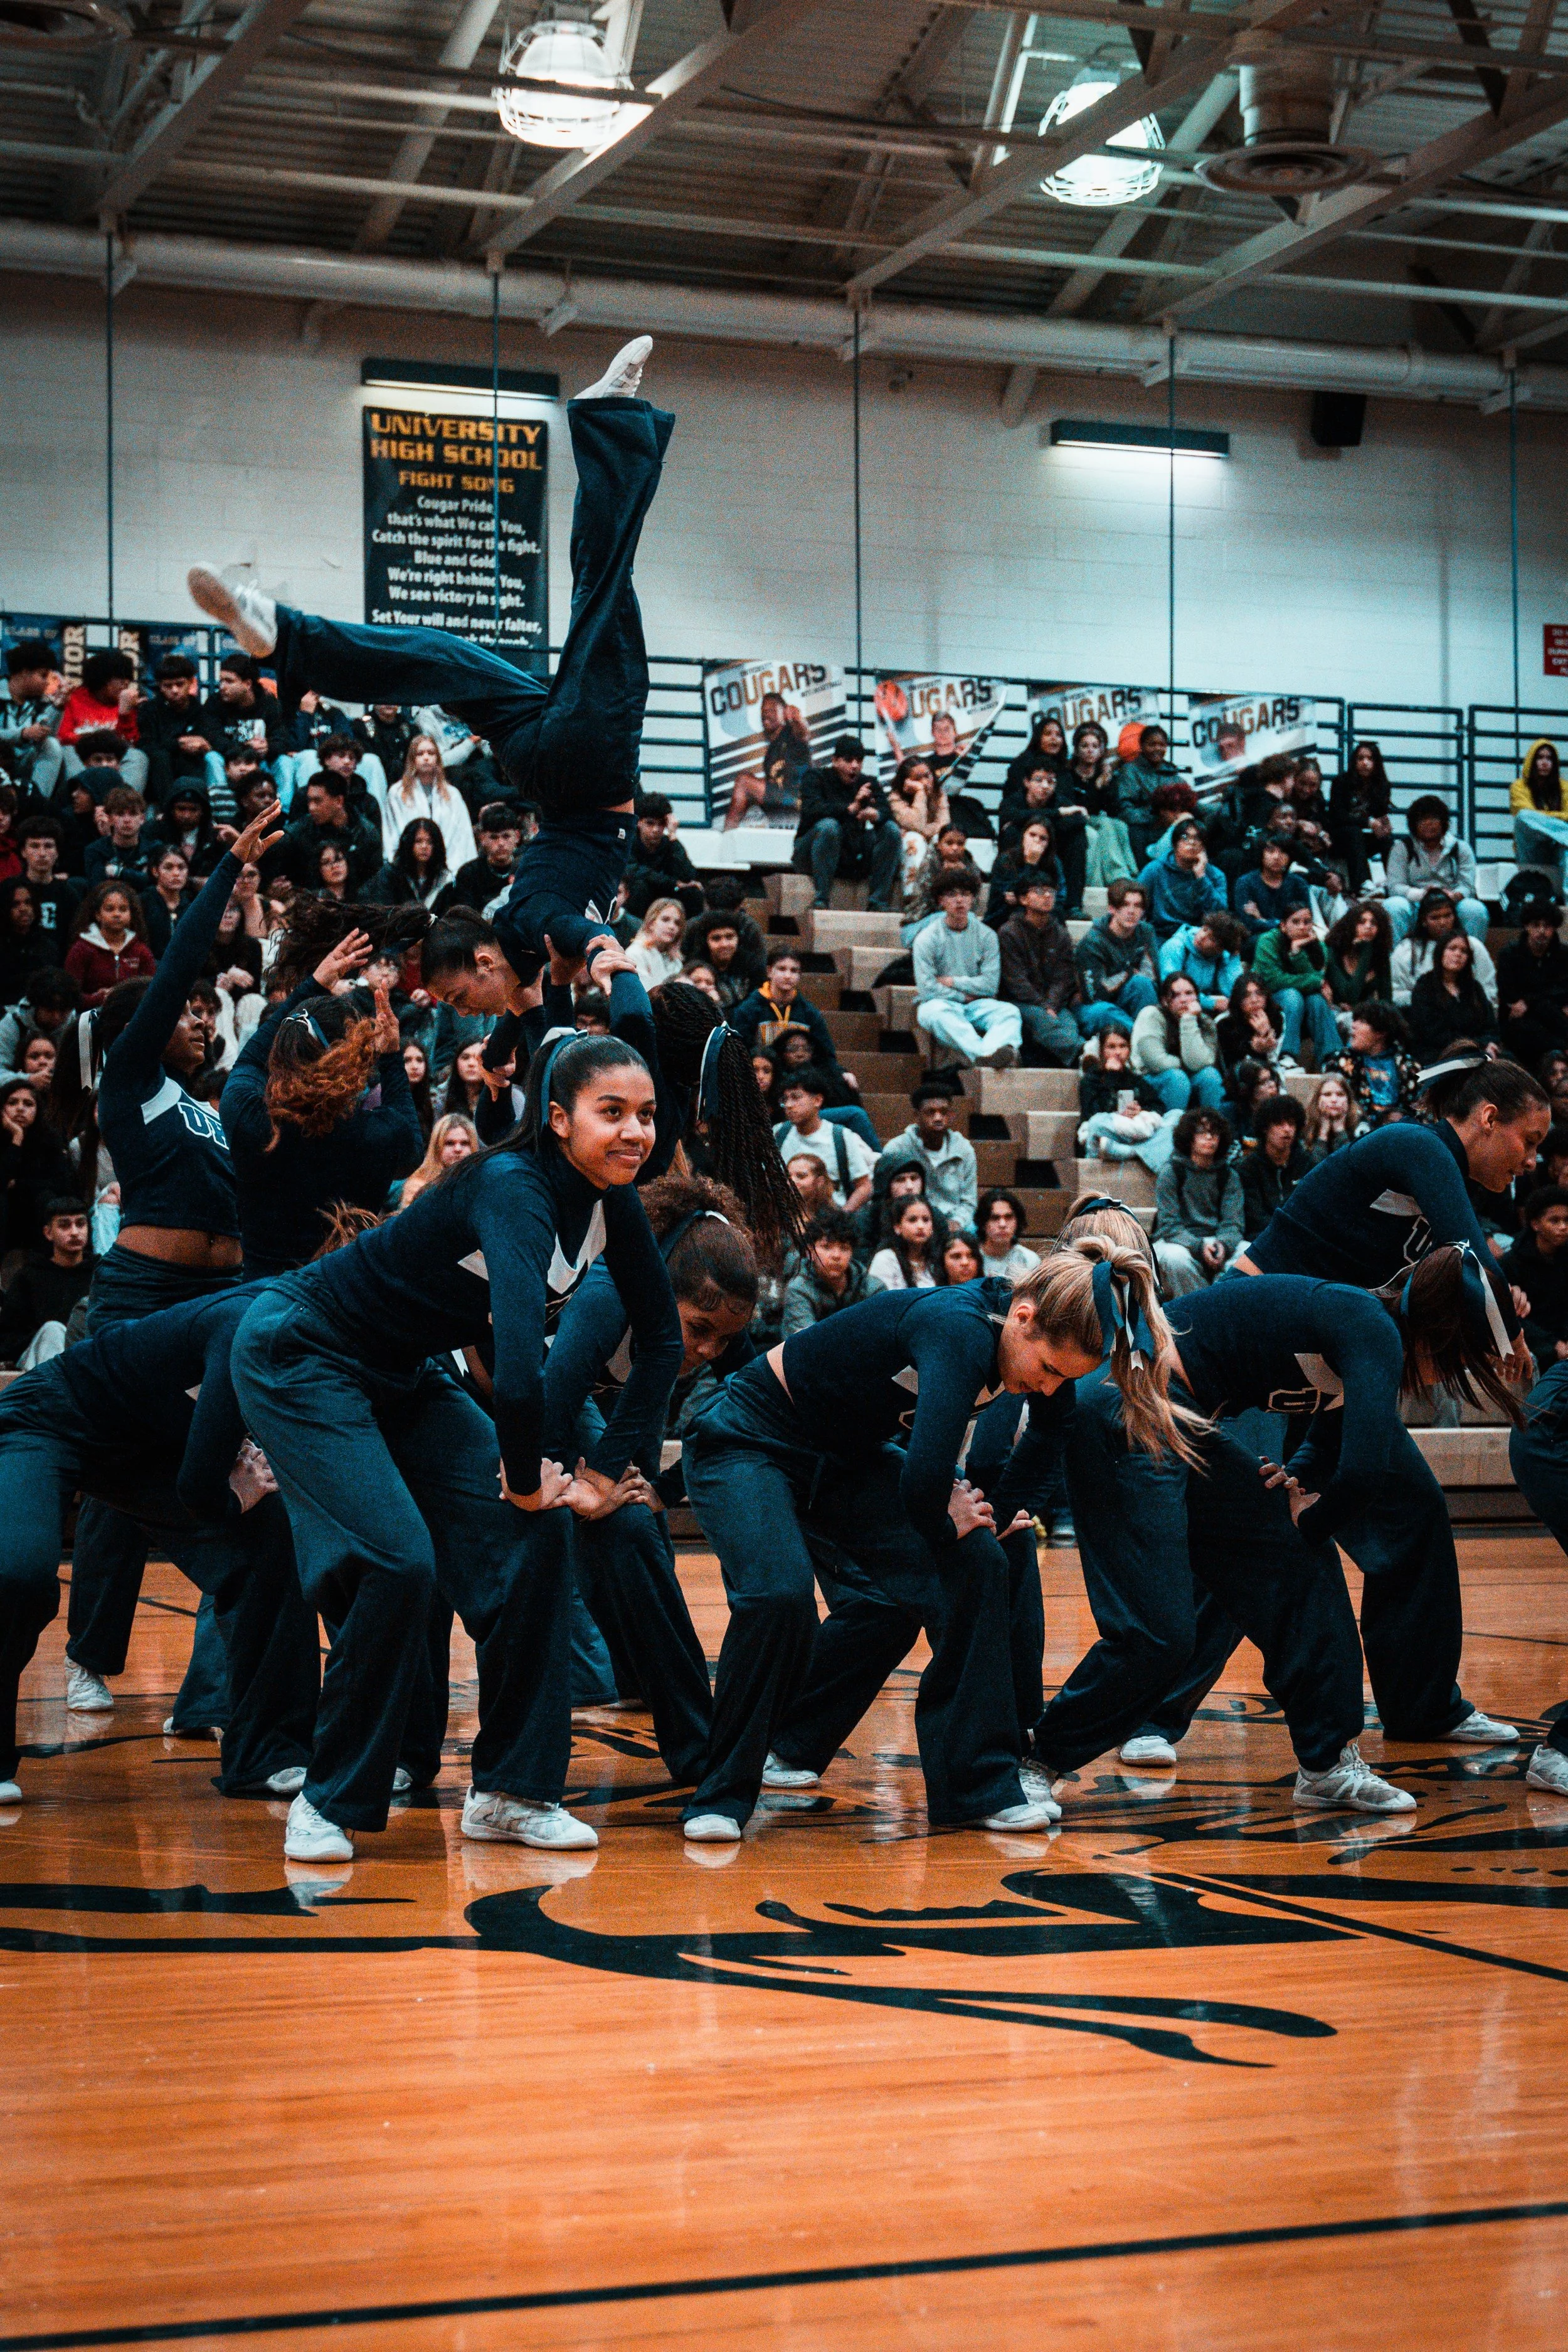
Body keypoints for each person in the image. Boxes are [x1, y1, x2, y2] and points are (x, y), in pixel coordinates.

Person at [230, 1024, 684, 1863]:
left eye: (648, 1114)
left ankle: (511, 1790)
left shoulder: (611, 1200)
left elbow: (662, 1343)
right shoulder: (514, 1185)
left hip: (400, 1371)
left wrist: (598, 1474)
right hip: (304, 1351)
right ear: (557, 1117)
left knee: (542, 1532)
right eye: (611, 1111)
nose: (635, 1131)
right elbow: (516, 1373)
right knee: (402, 1562)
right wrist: (520, 1479)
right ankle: (330, 1799)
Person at [192, 335, 671, 1004]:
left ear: (483, 960)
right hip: (542, 762)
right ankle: (289, 636)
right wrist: (514, 1045)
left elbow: (568, 948)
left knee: (605, 588)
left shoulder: (529, 932)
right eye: (455, 1002)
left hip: (586, 771)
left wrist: (603, 957)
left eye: (456, 1000)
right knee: (445, 655)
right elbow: (535, 1003)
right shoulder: (518, 947)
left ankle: (607, 421)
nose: (463, 1010)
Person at [717, 1237, 1191, 1840]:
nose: (1047, 1387)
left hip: (847, 1457)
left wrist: (995, 1513)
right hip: (762, 1433)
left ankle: (967, 1786)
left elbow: (1053, 1428)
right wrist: (954, 1518)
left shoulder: (1031, 1354)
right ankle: (736, 1765)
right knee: (789, 1596)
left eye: (1062, 1379)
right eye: (1047, 1370)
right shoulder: (961, 1331)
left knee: (975, 1564)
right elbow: (923, 1482)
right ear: (1023, 1319)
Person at [48, 800, 283, 1721]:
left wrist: (304, 987)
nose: (197, 1018)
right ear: (136, 1030)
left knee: (220, 1463)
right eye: (182, 1011)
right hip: (143, 1300)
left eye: (198, 1014)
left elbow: (257, 1050)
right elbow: (183, 958)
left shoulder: (209, 1107)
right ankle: (88, 1655)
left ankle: (216, 1682)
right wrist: (224, 875)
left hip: (217, 1300)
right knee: (119, 1479)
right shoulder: (132, 1085)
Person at [543, 1171, 755, 1781]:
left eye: (725, 1337)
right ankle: (696, 1742)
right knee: (623, 1526)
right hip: (509, 1390)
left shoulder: (705, 1320)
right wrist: (594, 1486)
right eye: (700, 1330)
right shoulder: (610, 1293)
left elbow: (752, 1404)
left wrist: (662, 1490)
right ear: (663, 1291)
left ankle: (639, 1683)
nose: (711, 1350)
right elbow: (551, 1406)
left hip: (587, 1399)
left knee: (641, 1524)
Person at [218, 926, 425, 1278]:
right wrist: (391, 1055)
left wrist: (312, 985)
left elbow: (250, 1060)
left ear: (282, 1050)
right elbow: (411, 1142)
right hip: (341, 1300)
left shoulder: (251, 1119)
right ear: (353, 1061)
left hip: (260, 1295)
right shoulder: (375, 1135)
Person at [913, 871, 1022, 1071]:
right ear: (941, 901)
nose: (959, 900)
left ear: (973, 899)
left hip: (977, 1004)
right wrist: (964, 996)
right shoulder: (927, 939)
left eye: (965, 894)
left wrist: (953, 982)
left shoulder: (987, 936)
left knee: (1009, 1012)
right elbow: (928, 988)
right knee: (936, 1014)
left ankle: (987, 1057)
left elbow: (990, 984)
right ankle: (986, 1055)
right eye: (952, 895)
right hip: (939, 1003)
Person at [791, 736, 901, 913]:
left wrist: (875, 814)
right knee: (829, 827)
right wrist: (851, 809)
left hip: (850, 853)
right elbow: (812, 810)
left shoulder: (868, 783)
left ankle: (878, 901)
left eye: (859, 761)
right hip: (810, 853)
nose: (855, 766)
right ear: (835, 761)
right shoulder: (816, 777)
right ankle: (821, 899)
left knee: (891, 830)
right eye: (849, 760)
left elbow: (888, 811)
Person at [729, 945, 850, 1089]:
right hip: (760, 1082)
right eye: (781, 969)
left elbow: (826, 1055)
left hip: (799, 1083)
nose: (788, 976)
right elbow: (738, 1052)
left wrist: (843, 1073)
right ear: (769, 971)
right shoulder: (748, 1010)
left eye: (794, 971)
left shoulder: (809, 1013)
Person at [1153, 1108, 1243, 1293]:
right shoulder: (1171, 1172)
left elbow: (1233, 1223)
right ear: (1189, 1137)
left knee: (1248, 1252)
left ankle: (1219, 1302)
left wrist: (1223, 1245)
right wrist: (1198, 1247)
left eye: (1214, 1133)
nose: (1209, 1137)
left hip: (1217, 1239)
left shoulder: (1229, 1175)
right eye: (1202, 1132)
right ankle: (1199, 1309)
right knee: (1174, 1258)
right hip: (1178, 1240)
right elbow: (1169, 1226)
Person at [996, 872, 1080, 1067]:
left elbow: (1064, 977)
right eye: (1040, 891)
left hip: (1053, 1002)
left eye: (1051, 891)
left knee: (1069, 1025)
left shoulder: (1060, 933)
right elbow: (1016, 980)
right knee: (1044, 1021)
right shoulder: (1009, 932)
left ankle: (1080, 1058)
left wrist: (1051, 1004)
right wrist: (1044, 1006)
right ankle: (1085, 1053)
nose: (1048, 896)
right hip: (1019, 1001)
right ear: (1023, 899)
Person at [0, 1196, 93, 1367]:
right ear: (48, 1233)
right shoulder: (29, 1277)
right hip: (38, 1360)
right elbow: (7, 1338)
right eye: (65, 1225)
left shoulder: (100, 1273)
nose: (74, 1232)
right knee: (53, 1331)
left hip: (87, 1356)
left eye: (80, 1224)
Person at [1384, 796, 1488, 943]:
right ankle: (1395, 962)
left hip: (1451, 903)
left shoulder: (1461, 848)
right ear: (1413, 825)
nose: (1428, 824)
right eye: (1422, 820)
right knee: (1393, 906)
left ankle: (1471, 960)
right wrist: (1421, 894)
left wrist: (1453, 896)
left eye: (1433, 819)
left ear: (1444, 822)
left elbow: (1467, 886)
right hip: (1416, 903)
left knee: (1475, 909)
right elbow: (1395, 886)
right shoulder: (1402, 848)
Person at [876, 1081, 978, 1229]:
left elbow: (969, 1201)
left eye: (943, 1112)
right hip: (909, 1219)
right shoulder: (897, 1148)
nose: (938, 1118)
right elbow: (884, 1197)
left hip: (953, 1220)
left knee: (973, 1230)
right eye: (931, 1112)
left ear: (951, 1115)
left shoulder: (964, 1149)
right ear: (917, 1116)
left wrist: (957, 1222)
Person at [772, 1068, 875, 1212]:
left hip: (830, 1218)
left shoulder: (841, 1137)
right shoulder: (778, 1133)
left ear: (817, 1100)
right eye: (785, 1099)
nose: (789, 1105)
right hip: (789, 1220)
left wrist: (841, 1218)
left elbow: (864, 1186)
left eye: (796, 1097)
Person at [1253, 904, 1342, 1066]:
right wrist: (1314, 981)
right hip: (1270, 996)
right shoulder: (1267, 941)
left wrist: (1297, 952)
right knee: (1292, 995)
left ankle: (1332, 1058)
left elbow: (1317, 977)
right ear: (1283, 925)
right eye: (1296, 922)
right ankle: (1287, 1055)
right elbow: (1272, 980)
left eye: (1307, 922)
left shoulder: (1318, 945)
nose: (1302, 927)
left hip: (1303, 1000)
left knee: (1316, 1000)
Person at [1130, 972, 1224, 1113]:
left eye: (1189, 993)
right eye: (1176, 995)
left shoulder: (1206, 1023)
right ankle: (1172, 1129)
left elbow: (1202, 1063)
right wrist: (1187, 1065)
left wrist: (1189, 1020)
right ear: (1165, 1001)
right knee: (1177, 1078)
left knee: (1210, 1076)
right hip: (1148, 1080)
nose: (1184, 1000)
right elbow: (1157, 1062)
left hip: (1185, 1077)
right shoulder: (1151, 1015)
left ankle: (1212, 1127)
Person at [379, 734, 477, 872]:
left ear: (437, 759)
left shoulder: (453, 794)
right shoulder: (397, 793)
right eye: (420, 754)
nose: (426, 758)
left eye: (431, 753)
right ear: (412, 760)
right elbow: (391, 835)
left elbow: (463, 836)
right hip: (409, 867)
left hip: (450, 867)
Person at [780, 1206, 882, 1335]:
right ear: (810, 1251)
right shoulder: (799, 1289)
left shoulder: (873, 1287)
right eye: (827, 1247)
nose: (836, 1256)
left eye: (844, 1248)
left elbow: (885, 1334)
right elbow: (805, 1345)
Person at [1075, 879, 1158, 1036]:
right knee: (1102, 1011)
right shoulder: (1093, 941)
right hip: (1095, 1007)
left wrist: (1128, 977)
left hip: (1127, 998)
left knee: (1143, 984)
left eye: (1138, 906)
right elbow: (1094, 994)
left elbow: (1153, 978)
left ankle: (1146, 1037)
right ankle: (1146, 1039)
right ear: (1112, 909)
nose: (1132, 911)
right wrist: (1130, 973)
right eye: (1125, 905)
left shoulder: (1146, 932)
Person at [1495, 896, 1568, 1069]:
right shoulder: (1509, 954)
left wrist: (1529, 1001)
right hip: (1521, 1020)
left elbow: (1564, 991)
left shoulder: (1565, 954)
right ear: (1527, 926)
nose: (1542, 931)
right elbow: (1508, 993)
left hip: (1551, 1014)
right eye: (1536, 925)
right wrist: (1543, 999)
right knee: (1524, 1030)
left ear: (1555, 928)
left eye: (1548, 926)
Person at [1501, 1187, 1568, 1374]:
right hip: (1531, 1341)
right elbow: (1510, 1316)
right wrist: (1554, 1345)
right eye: (1554, 1220)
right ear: (1536, 1224)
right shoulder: (1512, 1262)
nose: (1563, 1227)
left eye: (1567, 1220)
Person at [722, 692, 812, 830]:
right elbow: (772, 783)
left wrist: (797, 718)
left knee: (743, 782)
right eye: (763, 711)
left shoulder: (792, 732)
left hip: (798, 802)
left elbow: (804, 733)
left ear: (784, 712)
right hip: (783, 808)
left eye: (771, 710)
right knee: (749, 785)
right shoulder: (771, 753)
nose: (766, 714)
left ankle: (727, 836)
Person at [1323, 1003, 1420, 1126]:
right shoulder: (1340, 1062)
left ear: (1381, 1032)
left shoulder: (1408, 1066)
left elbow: (1420, 1109)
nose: (1353, 1025)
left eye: (1362, 1021)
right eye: (1354, 1020)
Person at [64, 882, 156, 1008]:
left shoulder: (140, 950)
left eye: (123, 909)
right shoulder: (81, 949)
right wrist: (98, 998)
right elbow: (69, 995)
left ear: (131, 914)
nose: (117, 914)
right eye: (110, 909)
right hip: (91, 1015)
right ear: (98, 915)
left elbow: (152, 990)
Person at [1408, 931, 1497, 1061]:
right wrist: (1477, 1045)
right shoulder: (1425, 986)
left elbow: (1491, 1026)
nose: (1458, 954)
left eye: (1464, 951)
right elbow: (1432, 1033)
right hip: (1439, 1053)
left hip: (1477, 1050)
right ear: (1440, 953)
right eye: (1452, 949)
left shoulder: (1474, 987)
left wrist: (1490, 1043)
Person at [1136, 818, 1226, 943]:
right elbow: (1136, 902)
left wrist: (1201, 878)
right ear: (1175, 843)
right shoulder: (1155, 870)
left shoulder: (1215, 875)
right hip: (1162, 935)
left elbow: (1219, 915)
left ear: (1204, 846)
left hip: (1198, 937)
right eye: (1185, 837)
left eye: (1198, 838)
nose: (1192, 843)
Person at [1239, 1094, 1316, 1237]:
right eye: (1279, 1124)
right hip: (1262, 1238)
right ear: (1265, 1128)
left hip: (1301, 1236)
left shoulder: (1307, 1164)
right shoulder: (1249, 1168)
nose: (1287, 1129)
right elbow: (1254, 1216)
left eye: (1292, 1124)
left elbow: (1312, 1208)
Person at [623, 792, 702, 921]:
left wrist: (673, 835)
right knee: (640, 887)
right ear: (638, 822)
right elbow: (636, 872)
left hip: (666, 894)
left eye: (661, 824)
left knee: (693, 893)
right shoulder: (629, 843)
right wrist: (674, 883)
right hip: (641, 897)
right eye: (650, 823)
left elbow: (688, 876)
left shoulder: (670, 843)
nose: (656, 829)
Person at [1, 639, 65, 800]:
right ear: (24, 672)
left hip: (24, 764)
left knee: (52, 745)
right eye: (43, 676)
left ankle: (36, 803)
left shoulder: (43, 702)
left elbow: (47, 733)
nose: (47, 683)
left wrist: (58, 707)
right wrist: (23, 734)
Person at [1328, 739, 1395, 892]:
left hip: (1362, 839)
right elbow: (1338, 816)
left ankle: (1394, 882)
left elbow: (1380, 816)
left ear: (1376, 763)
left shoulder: (1382, 785)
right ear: (1354, 761)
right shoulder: (1341, 782)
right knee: (1353, 832)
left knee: (1387, 840)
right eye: (1361, 759)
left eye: (1370, 759)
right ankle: (1363, 883)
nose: (1365, 763)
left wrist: (1384, 825)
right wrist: (1369, 822)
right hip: (1341, 838)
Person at [1112, 724, 1182, 864]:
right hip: (1144, 827)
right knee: (1136, 833)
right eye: (1152, 744)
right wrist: (1157, 817)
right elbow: (1125, 810)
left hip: (1171, 825)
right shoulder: (1130, 771)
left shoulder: (1171, 772)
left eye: (1162, 745)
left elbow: (1191, 801)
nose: (1157, 749)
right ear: (1142, 746)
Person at [1158, 910, 1246, 1019]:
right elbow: (1172, 988)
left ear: (1220, 949)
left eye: (1211, 939)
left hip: (1205, 1010)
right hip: (1177, 1009)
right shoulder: (1175, 947)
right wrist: (1211, 1003)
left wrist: (1234, 956)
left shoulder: (1222, 956)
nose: (1202, 936)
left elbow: (1234, 992)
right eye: (1204, 929)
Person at [1322, 901, 1394, 1031]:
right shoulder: (1333, 951)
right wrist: (1366, 951)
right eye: (1362, 922)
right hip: (1333, 1012)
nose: (1368, 927)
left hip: (1364, 1013)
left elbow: (1386, 1000)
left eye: (1374, 923)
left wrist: (1360, 1008)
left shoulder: (1380, 955)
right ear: (1351, 925)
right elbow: (1349, 995)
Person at [685, 904, 766, 1012]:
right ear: (706, 942)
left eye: (730, 937)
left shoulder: (752, 966)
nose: (724, 944)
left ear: (738, 938)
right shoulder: (696, 969)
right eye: (716, 938)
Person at [1232, 834, 1310, 939]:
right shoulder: (1245, 882)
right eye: (1271, 851)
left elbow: (1305, 919)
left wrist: (1262, 919)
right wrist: (1282, 925)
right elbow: (1248, 924)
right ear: (1262, 854)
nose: (1276, 857)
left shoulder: (1298, 883)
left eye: (1283, 852)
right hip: (1258, 939)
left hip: (1293, 938)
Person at [396, 1113, 479, 1208]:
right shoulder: (418, 1186)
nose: (458, 1149)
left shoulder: (481, 1180)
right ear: (437, 1148)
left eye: (465, 1143)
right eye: (450, 1143)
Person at [867, 1193, 939, 1291]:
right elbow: (881, 1303)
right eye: (913, 1220)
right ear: (897, 1227)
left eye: (926, 1220)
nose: (921, 1226)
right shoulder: (885, 1259)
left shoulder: (937, 1259)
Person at [977, 1188, 1039, 1280]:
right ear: (983, 1223)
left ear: (1017, 1221)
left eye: (1009, 1217)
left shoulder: (1030, 1260)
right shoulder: (971, 1259)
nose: (1003, 1224)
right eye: (995, 1218)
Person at [627, 898, 687, 992]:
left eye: (677, 923)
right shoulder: (636, 954)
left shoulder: (676, 962)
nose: (672, 927)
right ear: (651, 923)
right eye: (665, 920)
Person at [1306, 1069, 1363, 1155]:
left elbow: (1351, 1165)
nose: (1334, 1100)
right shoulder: (1306, 1124)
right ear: (1317, 1100)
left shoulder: (1361, 1125)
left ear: (1348, 1099)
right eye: (1327, 1094)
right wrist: (1323, 1134)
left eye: (1340, 1095)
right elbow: (1314, 1167)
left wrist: (1340, 1130)